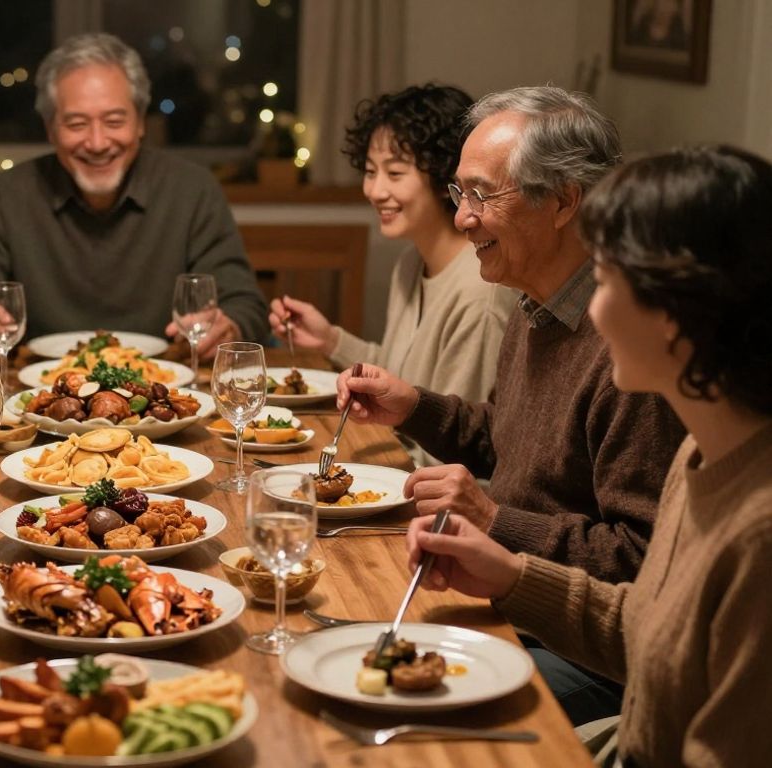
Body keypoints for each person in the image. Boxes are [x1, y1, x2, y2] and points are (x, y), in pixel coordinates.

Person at [405, 145, 772, 767]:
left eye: (606, 282)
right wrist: (514, 578)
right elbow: (646, 630)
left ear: (678, 315)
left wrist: (503, 529)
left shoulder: (758, 535)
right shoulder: (701, 458)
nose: (592, 311)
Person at [337, 86, 685, 584]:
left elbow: (640, 560)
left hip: (562, 641)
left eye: (482, 194)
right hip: (501, 584)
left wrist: (494, 520)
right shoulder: (534, 300)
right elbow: (506, 440)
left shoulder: (629, 348)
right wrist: (413, 405)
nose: (462, 218)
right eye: (459, 193)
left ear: (564, 202)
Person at [0, 33, 269, 360]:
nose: (98, 143)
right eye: (76, 124)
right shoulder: (9, 194)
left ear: (141, 124)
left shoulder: (192, 189)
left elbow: (246, 305)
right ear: (50, 129)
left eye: (115, 121)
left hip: (167, 394)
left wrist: (228, 328)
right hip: (39, 396)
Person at [270, 84, 514, 467]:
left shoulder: (479, 291)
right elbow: (402, 379)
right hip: (393, 460)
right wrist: (330, 340)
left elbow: (456, 446)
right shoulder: (410, 263)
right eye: (370, 172)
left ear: (442, 176)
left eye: (395, 173)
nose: (376, 190)